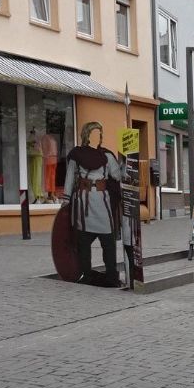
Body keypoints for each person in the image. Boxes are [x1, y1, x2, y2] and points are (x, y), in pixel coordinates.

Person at [62, 122, 123, 287]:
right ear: (86, 135)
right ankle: (86, 275)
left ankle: (111, 276)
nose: (98, 137)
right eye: (94, 133)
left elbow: (117, 175)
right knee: (83, 242)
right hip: (84, 203)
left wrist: (125, 163)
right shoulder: (77, 154)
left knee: (108, 242)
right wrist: (66, 200)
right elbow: (69, 178)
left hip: (102, 202)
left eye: (99, 134)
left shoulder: (107, 156)